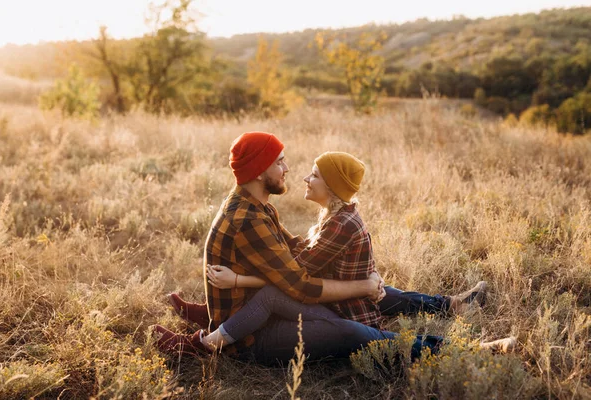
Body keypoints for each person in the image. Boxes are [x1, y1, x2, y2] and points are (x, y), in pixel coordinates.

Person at [153, 132, 513, 365]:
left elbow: (289, 252)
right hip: (251, 337)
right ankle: (465, 352)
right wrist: (362, 286)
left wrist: (241, 280)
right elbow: (302, 286)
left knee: (368, 291)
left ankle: (449, 306)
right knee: (351, 332)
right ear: (260, 170)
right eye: (280, 162)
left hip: (263, 308)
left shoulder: (258, 205)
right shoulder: (249, 217)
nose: (288, 169)